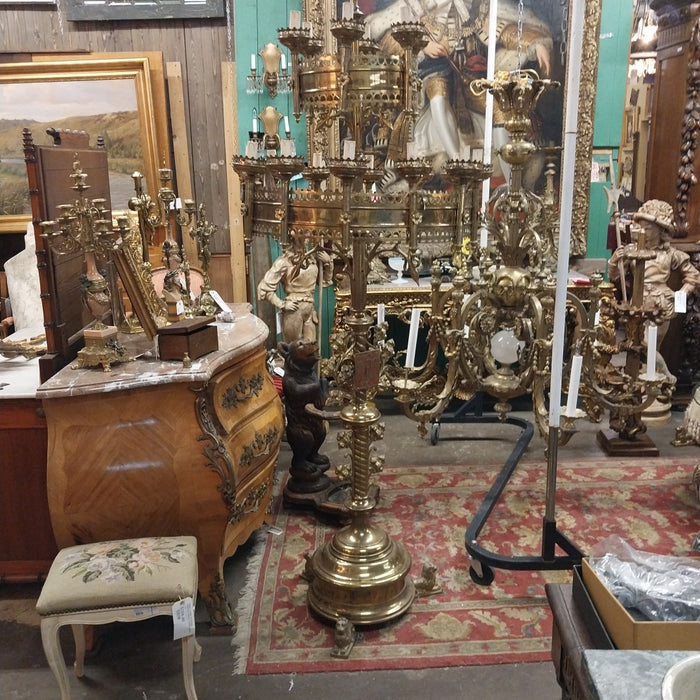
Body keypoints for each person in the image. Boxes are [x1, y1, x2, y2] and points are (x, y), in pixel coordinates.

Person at [363, 0, 553, 185]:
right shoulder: (418, 5)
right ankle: (456, 163)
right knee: (438, 97)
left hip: (470, 81)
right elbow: (386, 37)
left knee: (499, 108)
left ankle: (513, 186)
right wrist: (423, 45)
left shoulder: (479, 7)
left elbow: (507, 29)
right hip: (434, 73)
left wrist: (535, 43)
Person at [608, 198, 700, 346]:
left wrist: (679, 296)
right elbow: (614, 276)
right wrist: (613, 262)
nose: (643, 231)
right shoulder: (632, 251)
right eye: (641, 227)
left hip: (661, 305)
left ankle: (652, 368)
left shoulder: (670, 254)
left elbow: (694, 276)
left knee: (653, 347)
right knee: (636, 345)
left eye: (648, 228)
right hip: (638, 304)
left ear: (660, 230)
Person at [257, 242, 334, 342]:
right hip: (293, 310)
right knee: (294, 349)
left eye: (307, 238)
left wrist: (328, 263)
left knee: (310, 350)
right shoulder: (284, 262)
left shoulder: (312, 260)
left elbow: (324, 280)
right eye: (302, 237)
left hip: (309, 310)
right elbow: (264, 288)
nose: (306, 241)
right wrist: (282, 304)